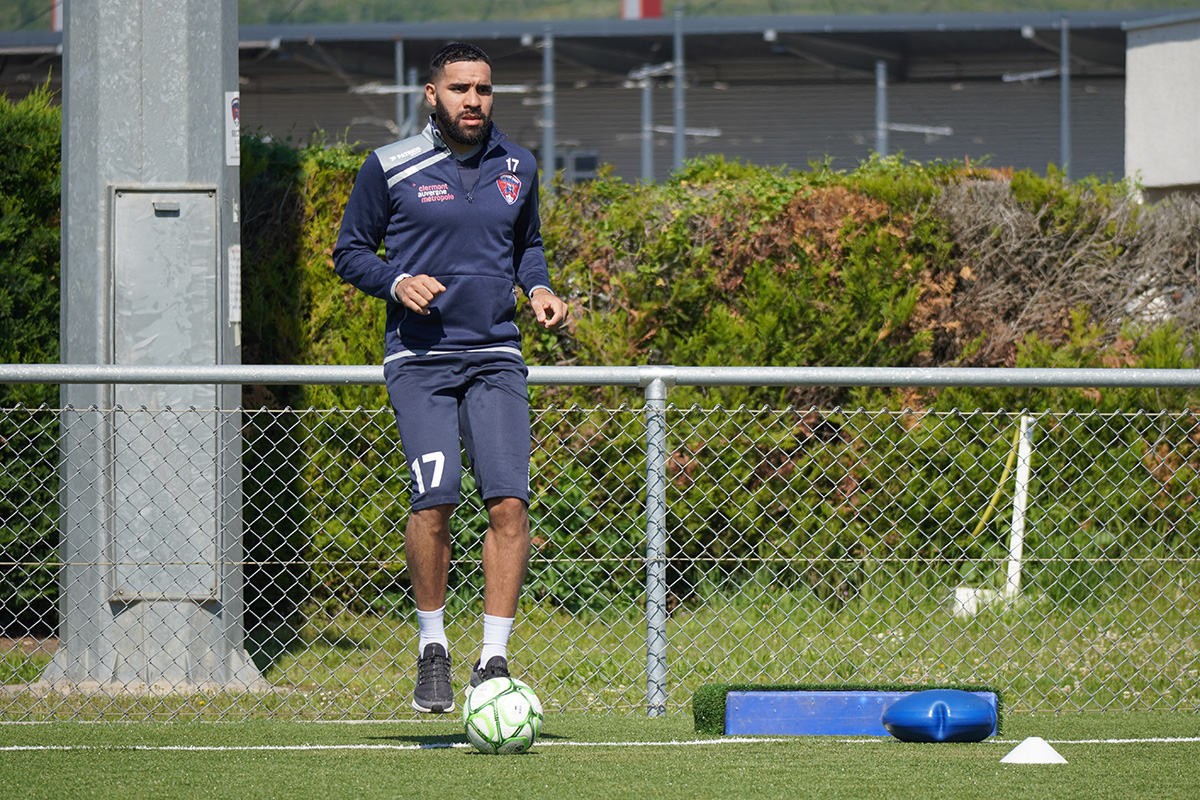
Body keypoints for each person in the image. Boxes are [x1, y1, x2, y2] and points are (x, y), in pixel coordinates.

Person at [333, 42, 568, 714]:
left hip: (496, 354)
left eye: (485, 90)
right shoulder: (390, 166)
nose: (475, 101)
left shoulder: (518, 166)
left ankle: (492, 661)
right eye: (461, 89)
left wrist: (540, 288)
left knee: (509, 505)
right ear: (430, 95)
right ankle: (431, 647)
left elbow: (527, 245)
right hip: (422, 362)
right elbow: (349, 251)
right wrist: (396, 281)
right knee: (435, 500)